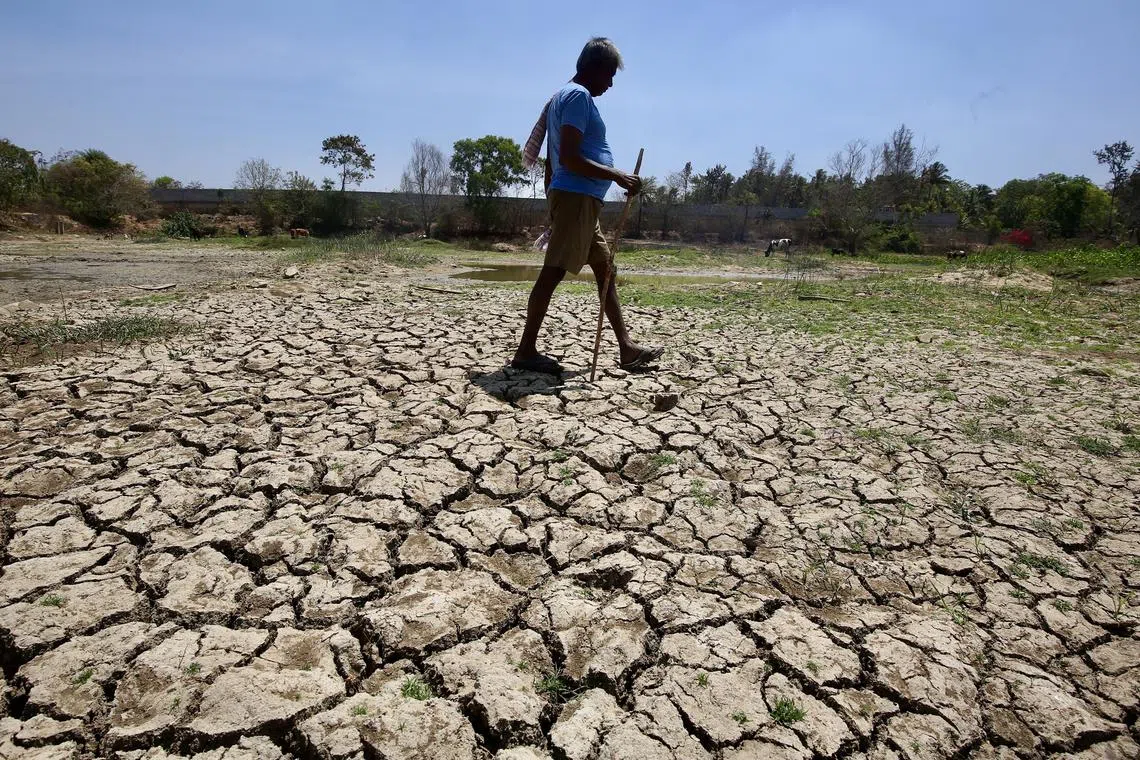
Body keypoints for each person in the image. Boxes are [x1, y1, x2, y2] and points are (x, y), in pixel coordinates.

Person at [512, 37, 664, 375]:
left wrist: (555, 195)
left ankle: (626, 348)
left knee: (605, 269)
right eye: (608, 75)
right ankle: (525, 351)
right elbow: (568, 155)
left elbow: (554, 159)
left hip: (577, 200)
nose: (610, 83)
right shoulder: (578, 97)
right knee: (553, 272)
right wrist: (617, 175)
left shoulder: (564, 96)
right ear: (593, 68)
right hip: (576, 199)